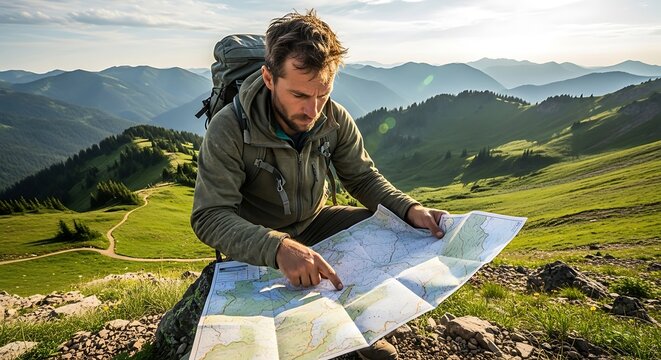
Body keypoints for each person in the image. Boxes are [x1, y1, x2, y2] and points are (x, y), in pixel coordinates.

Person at [191, 9, 448, 360]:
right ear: (269, 78)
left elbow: (362, 177)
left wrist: (408, 208)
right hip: (257, 239)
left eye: (322, 94)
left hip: (314, 222)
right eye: (299, 96)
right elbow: (209, 215)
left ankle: (366, 328)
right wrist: (279, 247)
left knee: (391, 229)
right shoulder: (230, 129)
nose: (312, 111)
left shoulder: (333, 118)